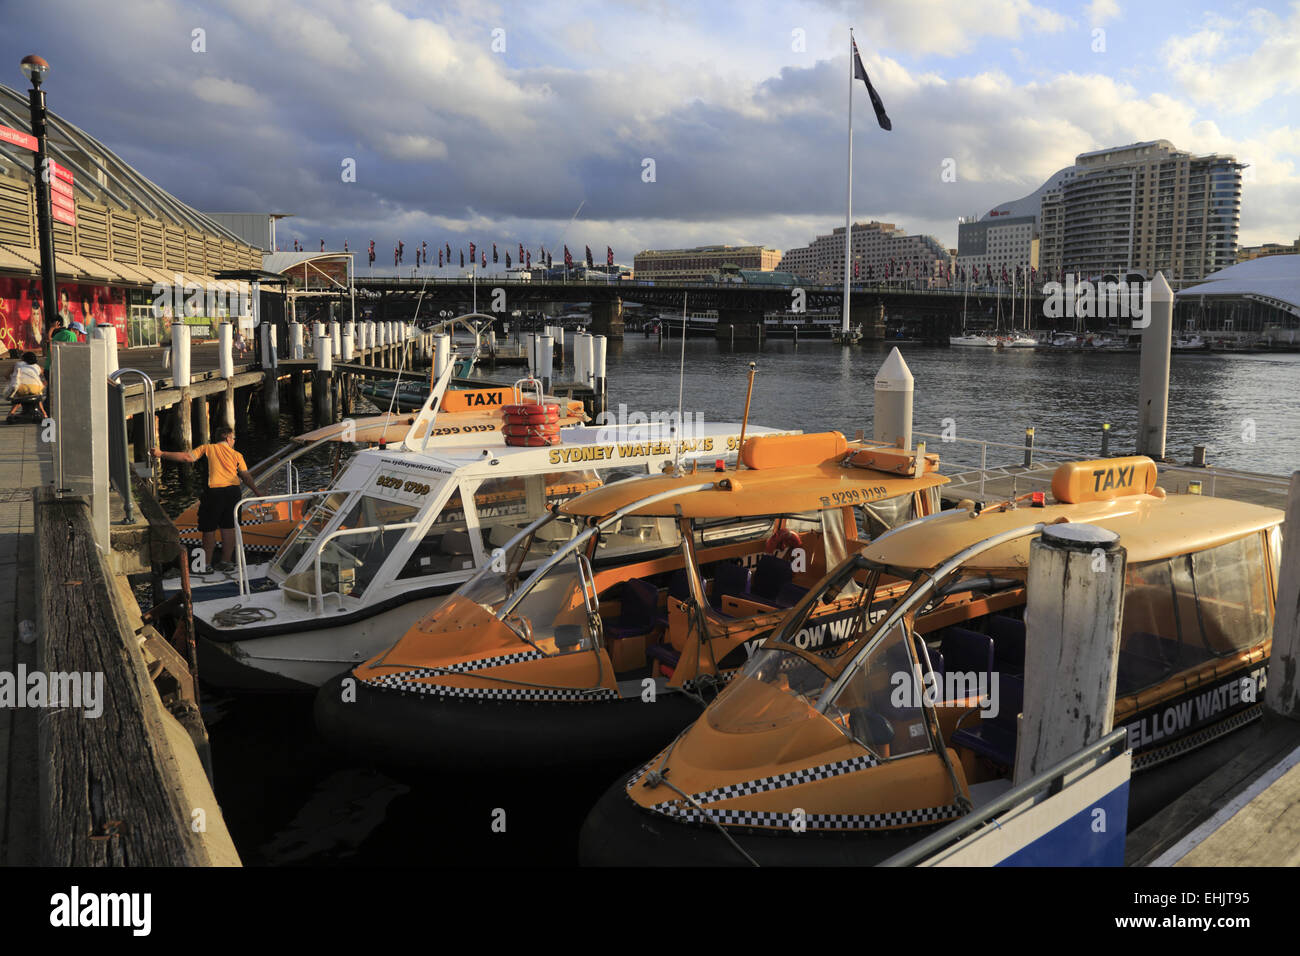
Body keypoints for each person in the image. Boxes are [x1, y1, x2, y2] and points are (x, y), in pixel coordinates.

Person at [152, 426, 262, 572]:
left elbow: (186, 457)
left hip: (214, 492)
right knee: (229, 528)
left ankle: (206, 565)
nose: (234, 441)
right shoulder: (237, 455)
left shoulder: (207, 448)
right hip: (233, 492)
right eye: (234, 438)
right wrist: (257, 492)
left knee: (209, 528)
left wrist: (161, 454)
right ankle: (226, 562)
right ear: (228, 438)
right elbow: (246, 476)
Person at [5, 352, 46, 421]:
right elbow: (46, 375)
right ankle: (44, 413)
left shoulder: (17, 364)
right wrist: (43, 384)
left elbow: (6, 375)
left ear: (23, 359)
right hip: (36, 388)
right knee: (38, 395)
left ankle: (11, 413)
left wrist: (13, 379)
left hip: (21, 388)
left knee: (17, 393)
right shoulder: (37, 366)